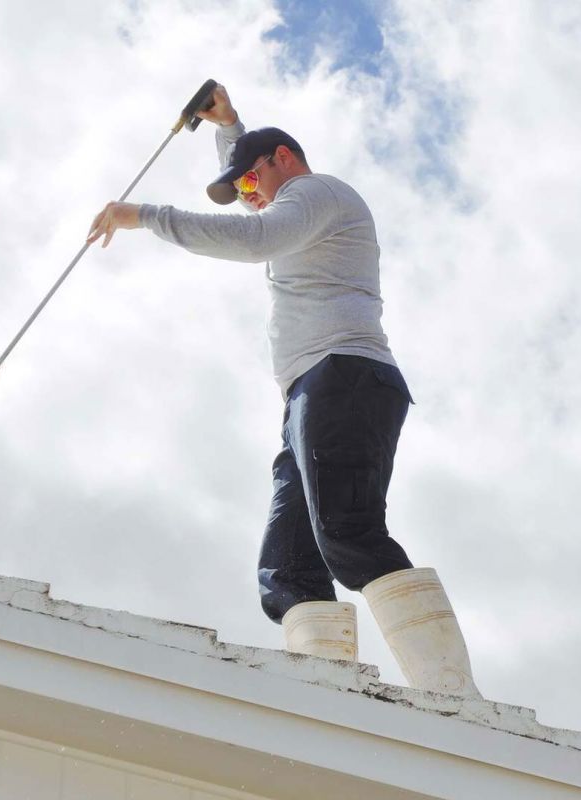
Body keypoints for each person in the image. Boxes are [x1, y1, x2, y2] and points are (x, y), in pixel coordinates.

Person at [86, 84, 480, 698]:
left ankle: (455, 698)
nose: (250, 197)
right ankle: (329, 697)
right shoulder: (289, 200)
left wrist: (144, 215)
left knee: (347, 532)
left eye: (252, 181)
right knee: (288, 569)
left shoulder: (316, 193)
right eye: (242, 189)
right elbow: (256, 214)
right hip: (309, 394)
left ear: (285, 161)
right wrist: (230, 126)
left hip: (344, 374)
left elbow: (255, 238)